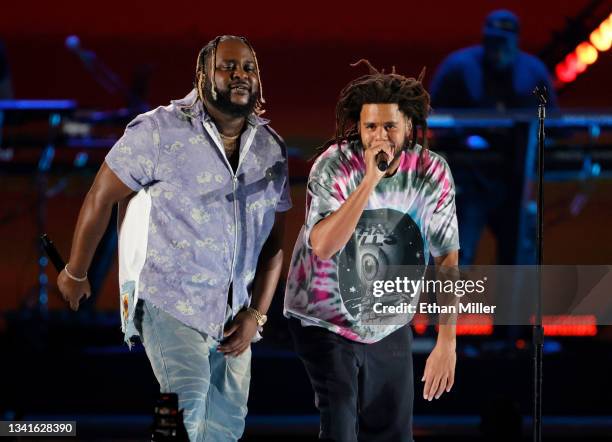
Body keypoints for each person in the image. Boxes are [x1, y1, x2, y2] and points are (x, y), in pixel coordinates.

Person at [57, 35, 291, 441]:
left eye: (249, 68)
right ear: (201, 75)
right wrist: (76, 272)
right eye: (228, 66)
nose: (240, 76)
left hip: (234, 316)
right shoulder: (159, 130)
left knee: (224, 428)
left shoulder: (270, 150)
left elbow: (274, 248)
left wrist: (256, 315)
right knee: (187, 398)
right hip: (169, 300)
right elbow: (100, 196)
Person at [284, 60, 460, 441]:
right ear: (358, 129)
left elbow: (447, 257)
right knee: (342, 420)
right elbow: (324, 246)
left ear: (409, 127)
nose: (380, 136)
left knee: (394, 432)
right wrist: (368, 182)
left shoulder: (432, 172)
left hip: (387, 317)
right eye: (370, 127)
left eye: (390, 126)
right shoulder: (333, 166)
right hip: (324, 315)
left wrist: (447, 342)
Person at [430, 9, 558, 264]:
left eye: (503, 42)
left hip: (515, 181)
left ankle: (513, 304)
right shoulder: (458, 68)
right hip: (468, 181)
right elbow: (433, 116)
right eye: (492, 40)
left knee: (520, 257)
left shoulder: (533, 73)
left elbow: (553, 123)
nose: (497, 48)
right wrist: (463, 140)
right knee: (456, 255)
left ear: (516, 41)